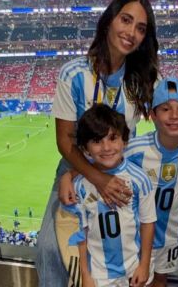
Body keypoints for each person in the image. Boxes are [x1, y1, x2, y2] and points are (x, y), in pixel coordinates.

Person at [38, 0, 160, 286]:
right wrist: (81, 176)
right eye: (126, 20)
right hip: (76, 171)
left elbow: (174, 114)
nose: (131, 33)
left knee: (118, 257)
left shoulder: (140, 81)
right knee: (51, 252)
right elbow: (65, 140)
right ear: (108, 21)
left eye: (141, 28)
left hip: (118, 175)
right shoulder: (73, 75)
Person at [124, 77, 178, 286]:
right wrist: (70, 175)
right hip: (135, 236)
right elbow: (106, 166)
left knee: (160, 281)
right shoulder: (135, 149)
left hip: (171, 237)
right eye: (166, 109)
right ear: (152, 115)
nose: (174, 116)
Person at [63, 104, 156, 286]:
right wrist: (86, 275)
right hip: (99, 275)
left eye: (113, 138)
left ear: (124, 141)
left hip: (133, 268)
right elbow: (82, 232)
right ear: (85, 148)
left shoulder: (140, 179)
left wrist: (144, 265)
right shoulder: (80, 185)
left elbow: (147, 223)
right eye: (97, 141)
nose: (106, 147)